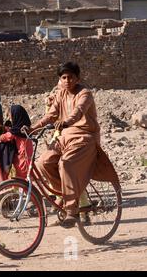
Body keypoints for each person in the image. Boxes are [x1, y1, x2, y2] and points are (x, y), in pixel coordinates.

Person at [27, 62, 118, 228]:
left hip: (84, 137)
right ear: (59, 80)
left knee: (66, 164)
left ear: (78, 78)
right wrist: (32, 128)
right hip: (64, 136)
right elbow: (51, 115)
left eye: (70, 77)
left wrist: (66, 121)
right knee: (43, 163)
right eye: (63, 77)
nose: (67, 80)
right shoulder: (60, 94)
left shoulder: (85, 94)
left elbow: (78, 111)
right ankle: (66, 199)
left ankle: (71, 210)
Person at [0, 105, 33, 180]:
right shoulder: (23, 128)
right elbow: (12, 130)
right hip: (26, 158)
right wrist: (2, 127)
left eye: (12, 117)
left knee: (21, 182)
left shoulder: (18, 130)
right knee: (23, 182)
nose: (11, 119)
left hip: (22, 161)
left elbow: (4, 137)